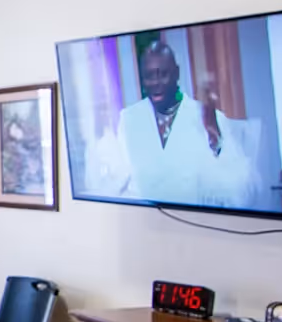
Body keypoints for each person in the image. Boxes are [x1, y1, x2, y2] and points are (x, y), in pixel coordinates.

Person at [95, 41, 260, 208]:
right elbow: (116, 182)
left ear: (177, 73)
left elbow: (244, 194)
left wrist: (214, 138)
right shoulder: (129, 119)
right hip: (143, 222)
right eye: (149, 76)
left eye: (163, 74)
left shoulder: (207, 117)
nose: (156, 83)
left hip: (196, 223)